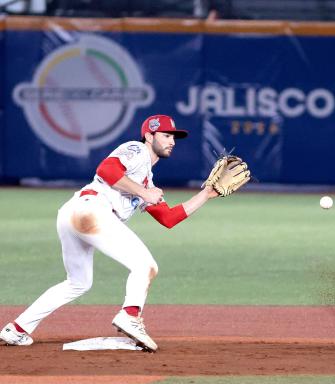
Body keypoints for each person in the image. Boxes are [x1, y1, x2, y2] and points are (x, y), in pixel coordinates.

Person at [0, 114, 250, 352]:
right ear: (149, 136)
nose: (172, 141)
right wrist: (144, 193)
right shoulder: (136, 150)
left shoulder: (147, 181)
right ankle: (130, 316)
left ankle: (17, 328)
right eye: (166, 135)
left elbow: (168, 218)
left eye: (174, 137)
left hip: (73, 215)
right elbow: (106, 170)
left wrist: (207, 194)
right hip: (92, 210)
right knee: (145, 266)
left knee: (77, 283)